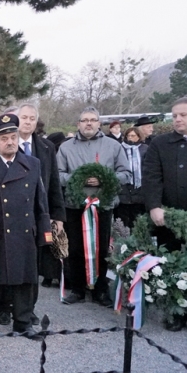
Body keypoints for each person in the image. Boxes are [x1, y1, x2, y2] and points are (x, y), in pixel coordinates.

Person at [0, 114, 52, 341]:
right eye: (4, 138)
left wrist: (45, 232)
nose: (10, 142)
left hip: (25, 231)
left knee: (26, 279)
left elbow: (40, 201)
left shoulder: (32, 164)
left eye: (13, 137)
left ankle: (23, 323)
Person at [0, 104, 65, 323]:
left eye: (31, 118)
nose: (10, 141)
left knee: (28, 274)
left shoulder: (41, 155)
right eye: (23, 117)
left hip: (28, 225)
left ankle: (25, 315)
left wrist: (53, 220)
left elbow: (48, 191)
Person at [57, 106, 131, 307]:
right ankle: (78, 289)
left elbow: (125, 173)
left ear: (99, 123)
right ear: (78, 124)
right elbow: (58, 174)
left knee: (102, 248)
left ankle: (100, 290)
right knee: (75, 248)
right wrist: (78, 179)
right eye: (84, 120)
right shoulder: (65, 147)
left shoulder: (113, 146)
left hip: (103, 206)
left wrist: (103, 180)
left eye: (92, 120)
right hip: (75, 206)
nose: (88, 123)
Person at [142, 97, 187, 337]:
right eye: (175, 115)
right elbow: (152, 177)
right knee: (173, 264)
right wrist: (154, 206)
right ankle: (177, 312)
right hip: (168, 218)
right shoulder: (160, 143)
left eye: (183, 115)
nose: (177, 119)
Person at [115, 127, 147, 229]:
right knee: (123, 218)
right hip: (124, 187)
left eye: (133, 136)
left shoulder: (145, 148)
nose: (130, 138)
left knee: (137, 218)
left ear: (138, 137)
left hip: (139, 187)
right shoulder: (120, 148)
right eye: (128, 136)